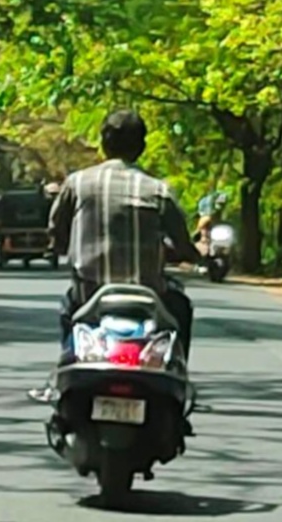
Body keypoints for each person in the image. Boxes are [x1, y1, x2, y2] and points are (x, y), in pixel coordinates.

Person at [49, 110, 196, 362]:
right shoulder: (158, 190)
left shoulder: (77, 184)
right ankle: (177, 370)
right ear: (141, 146)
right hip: (149, 298)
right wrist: (193, 255)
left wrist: (64, 246)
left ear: (103, 143)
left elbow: (56, 231)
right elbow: (183, 245)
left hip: (89, 295)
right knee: (181, 307)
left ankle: (67, 364)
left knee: (68, 311)